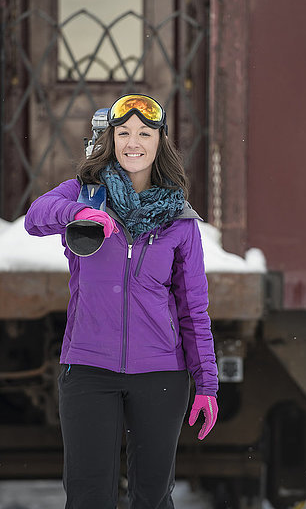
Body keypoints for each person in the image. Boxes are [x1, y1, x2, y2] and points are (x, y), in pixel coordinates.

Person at [24, 94, 219, 509]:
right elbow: (36, 216)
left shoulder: (179, 221)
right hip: (89, 371)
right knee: (88, 496)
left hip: (161, 375)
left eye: (144, 133)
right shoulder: (85, 195)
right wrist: (76, 213)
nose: (134, 142)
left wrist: (206, 384)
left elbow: (193, 311)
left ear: (158, 142)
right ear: (110, 140)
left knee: (151, 498)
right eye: (124, 132)